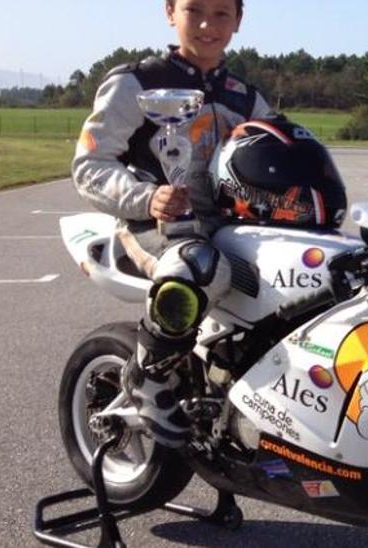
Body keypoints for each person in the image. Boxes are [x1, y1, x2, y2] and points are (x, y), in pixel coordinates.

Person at [72, 0, 272, 448]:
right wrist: (148, 198)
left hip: (227, 231)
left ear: (239, 20)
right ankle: (148, 379)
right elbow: (90, 165)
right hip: (152, 227)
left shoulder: (247, 97)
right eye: (193, 9)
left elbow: (277, 160)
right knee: (195, 265)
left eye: (222, 13)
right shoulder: (136, 82)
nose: (207, 24)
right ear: (169, 12)